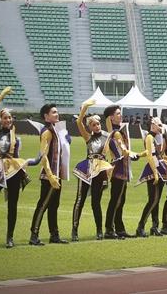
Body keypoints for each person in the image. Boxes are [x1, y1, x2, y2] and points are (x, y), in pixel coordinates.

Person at [0, 87, 34, 249]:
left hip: (14, 173)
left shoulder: (16, 138)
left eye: (10, 118)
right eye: (5, 117)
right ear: (0, 119)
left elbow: (16, 156)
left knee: (12, 206)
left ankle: (10, 238)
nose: (8, 120)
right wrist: (2, 95)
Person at [71, 99, 113, 241]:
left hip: (100, 171)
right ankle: (74, 230)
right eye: (93, 125)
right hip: (87, 169)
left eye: (97, 124)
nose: (96, 126)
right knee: (80, 200)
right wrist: (85, 107)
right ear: (89, 127)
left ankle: (99, 231)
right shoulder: (88, 137)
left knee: (96, 201)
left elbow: (113, 134)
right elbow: (78, 123)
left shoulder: (106, 136)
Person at [29, 103, 69, 246]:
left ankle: (54, 234)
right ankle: (34, 234)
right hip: (49, 176)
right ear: (46, 116)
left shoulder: (55, 130)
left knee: (54, 206)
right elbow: (43, 155)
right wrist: (50, 175)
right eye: (53, 112)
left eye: (57, 112)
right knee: (43, 205)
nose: (57, 114)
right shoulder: (47, 132)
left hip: (56, 175)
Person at [104, 104, 139, 240]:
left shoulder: (119, 131)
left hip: (122, 171)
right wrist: (137, 154)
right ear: (111, 118)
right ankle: (109, 229)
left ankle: (119, 228)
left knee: (120, 200)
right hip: (118, 171)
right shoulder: (116, 133)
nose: (121, 115)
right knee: (115, 200)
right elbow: (122, 151)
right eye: (118, 114)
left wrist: (132, 155)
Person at [136, 117, 167, 237]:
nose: (161, 126)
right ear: (153, 125)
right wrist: (155, 173)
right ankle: (140, 226)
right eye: (159, 124)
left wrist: (138, 154)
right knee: (153, 200)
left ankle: (154, 226)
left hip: (160, 167)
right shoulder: (149, 137)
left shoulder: (158, 137)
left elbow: (153, 152)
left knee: (156, 200)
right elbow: (150, 155)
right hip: (154, 170)